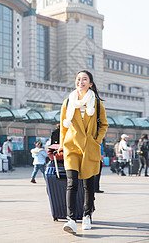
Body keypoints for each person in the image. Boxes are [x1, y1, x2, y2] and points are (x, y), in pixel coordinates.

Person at [58, 70, 108, 234]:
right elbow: (63, 126)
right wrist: (62, 144)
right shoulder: (67, 102)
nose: (81, 81)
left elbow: (104, 125)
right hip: (71, 147)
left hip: (89, 147)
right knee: (71, 184)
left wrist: (96, 141)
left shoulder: (97, 103)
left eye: (84, 79)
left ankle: (87, 215)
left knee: (88, 185)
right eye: (78, 79)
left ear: (90, 83)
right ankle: (71, 219)